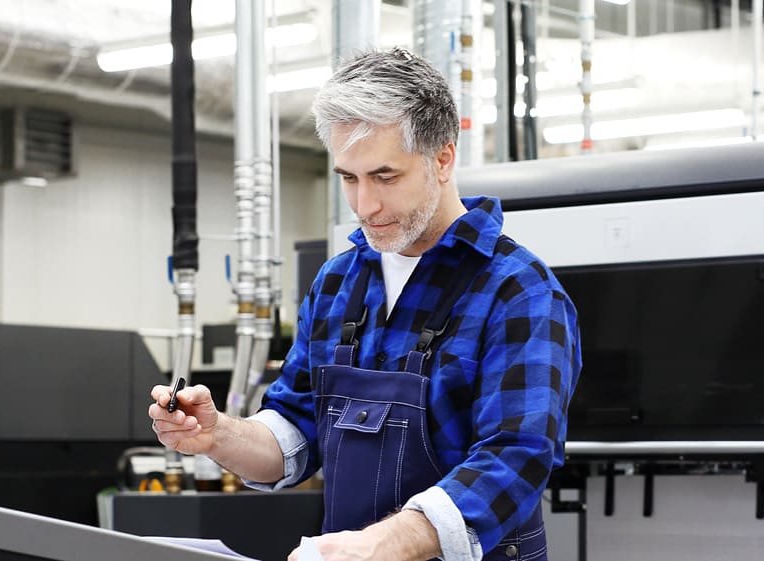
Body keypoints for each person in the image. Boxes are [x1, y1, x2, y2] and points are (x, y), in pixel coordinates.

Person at [149, 47, 581, 561]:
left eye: (384, 176)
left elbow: (515, 459)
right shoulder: (338, 283)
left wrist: (386, 543)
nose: (364, 205)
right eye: (349, 179)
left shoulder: (517, 292)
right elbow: (295, 428)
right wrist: (219, 434)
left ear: (442, 158)